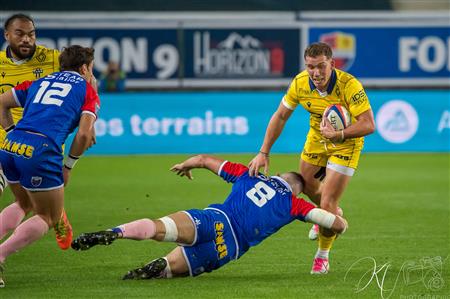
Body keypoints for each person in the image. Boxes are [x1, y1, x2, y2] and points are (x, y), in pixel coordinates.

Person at [71, 154, 348, 280]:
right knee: (167, 270)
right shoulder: (295, 206)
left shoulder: (248, 174)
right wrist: (335, 219)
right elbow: (336, 224)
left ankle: (116, 232)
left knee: (159, 227)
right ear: (298, 191)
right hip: (227, 247)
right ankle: (157, 268)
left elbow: (204, 159)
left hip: (213, 220)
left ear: (276, 177)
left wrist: (186, 165)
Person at [248, 42, 375, 274]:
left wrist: (339, 134)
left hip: (345, 144)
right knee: (307, 185)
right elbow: (280, 115)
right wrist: (263, 151)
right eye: (310, 67)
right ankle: (329, 216)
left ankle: (322, 255)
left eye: (321, 67)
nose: (315, 73)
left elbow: (369, 124)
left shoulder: (349, 85)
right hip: (317, 139)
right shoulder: (300, 83)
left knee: (327, 203)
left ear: (332, 64)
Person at [0, 45, 100, 287]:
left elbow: (1, 103)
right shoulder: (87, 90)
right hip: (41, 151)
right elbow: (84, 136)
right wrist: (68, 166)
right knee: (48, 216)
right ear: (85, 67)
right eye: (92, 69)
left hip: (11, 145)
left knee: (23, 203)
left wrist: (12, 133)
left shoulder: (41, 81)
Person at [0, 13, 73, 251]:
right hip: (7, 144)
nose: (26, 40)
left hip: (43, 148)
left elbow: (82, 78)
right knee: (27, 203)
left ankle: (55, 213)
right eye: (20, 34)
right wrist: (11, 132)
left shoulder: (52, 59)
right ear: (7, 35)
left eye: (31, 34)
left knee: (29, 204)